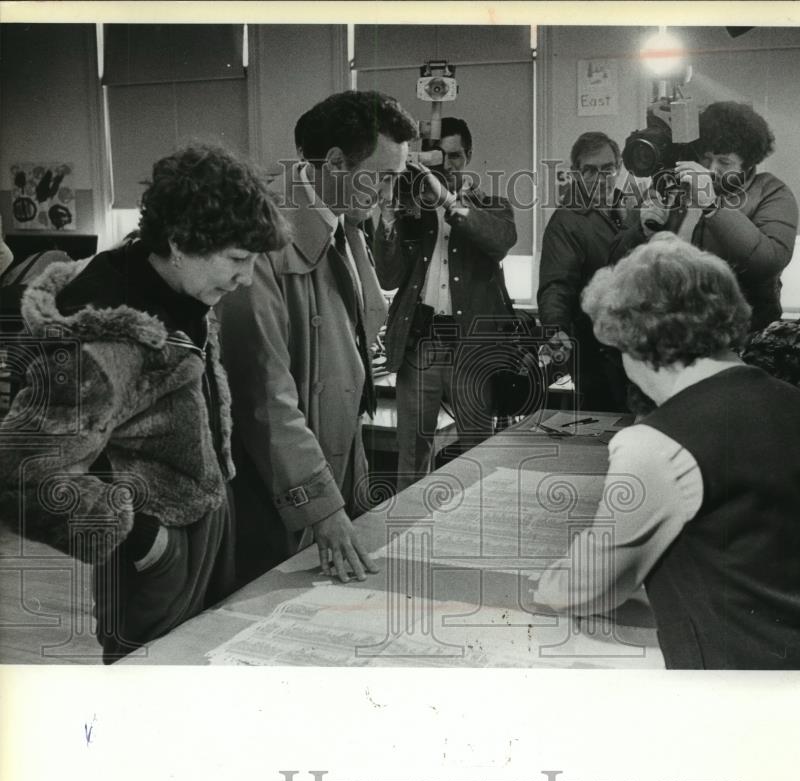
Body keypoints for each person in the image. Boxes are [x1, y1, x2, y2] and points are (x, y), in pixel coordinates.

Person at [530, 232, 800, 669]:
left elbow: (587, 586)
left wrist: (542, 585)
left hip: (767, 699)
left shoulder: (656, 445)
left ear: (640, 343)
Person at [0, 144, 289, 662]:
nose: (247, 278)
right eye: (239, 260)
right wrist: (148, 545)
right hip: (154, 559)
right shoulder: (105, 334)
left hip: (206, 529)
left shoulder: (180, 290)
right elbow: (20, 474)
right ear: (179, 243)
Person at [216, 90, 414, 585]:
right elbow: (266, 397)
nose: (389, 194)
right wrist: (322, 508)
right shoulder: (261, 243)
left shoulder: (345, 221)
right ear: (334, 162)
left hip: (337, 457)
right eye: (382, 177)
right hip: (280, 486)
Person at [372, 117, 517, 490]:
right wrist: (387, 218)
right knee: (413, 454)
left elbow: (500, 240)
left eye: (454, 157)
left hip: (471, 349)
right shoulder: (412, 214)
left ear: (468, 157)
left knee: (477, 452)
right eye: (438, 159)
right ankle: (408, 533)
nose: (446, 166)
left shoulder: (492, 205)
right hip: (420, 347)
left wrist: (449, 201)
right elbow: (388, 278)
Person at [610, 101, 799, 332]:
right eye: (706, 158)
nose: (710, 169)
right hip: (673, 332)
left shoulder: (771, 192)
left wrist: (712, 206)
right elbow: (615, 262)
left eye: (724, 162)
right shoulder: (672, 185)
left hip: (743, 335)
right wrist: (640, 233)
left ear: (747, 164)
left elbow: (768, 261)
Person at [536, 132, 630, 412]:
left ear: (619, 167)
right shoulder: (567, 220)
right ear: (576, 172)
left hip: (634, 344)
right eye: (589, 170)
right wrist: (555, 329)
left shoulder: (627, 209)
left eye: (606, 169)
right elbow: (556, 285)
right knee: (605, 426)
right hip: (595, 351)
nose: (599, 178)